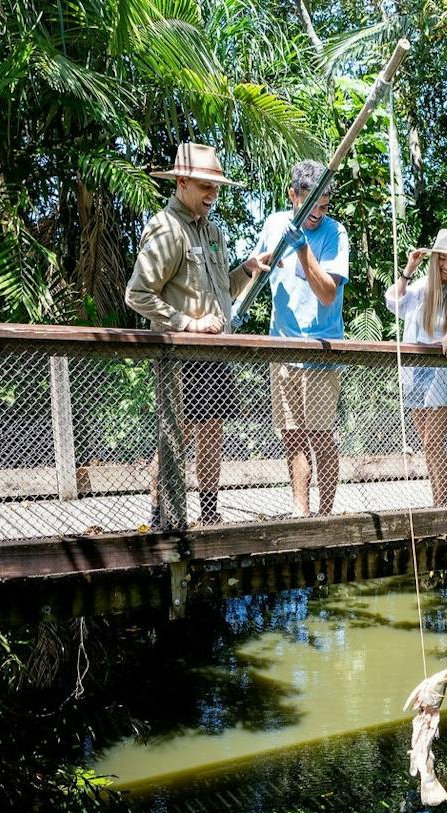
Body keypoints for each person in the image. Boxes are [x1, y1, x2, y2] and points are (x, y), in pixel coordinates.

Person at [125, 142, 270, 526]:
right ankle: (161, 514)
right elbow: (137, 294)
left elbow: (222, 290)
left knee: (212, 434)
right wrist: (188, 324)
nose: (213, 194)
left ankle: (208, 512)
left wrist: (248, 269)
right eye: (206, 185)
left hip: (216, 351)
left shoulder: (215, 234)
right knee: (176, 436)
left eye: (217, 186)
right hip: (179, 353)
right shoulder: (166, 228)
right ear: (183, 182)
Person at [250, 160, 351, 518]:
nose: (318, 213)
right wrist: (251, 270)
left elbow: (327, 294)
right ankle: (300, 513)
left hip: (321, 352)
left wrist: (303, 248)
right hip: (282, 350)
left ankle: (326, 514)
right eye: (312, 205)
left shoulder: (335, 234)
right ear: (294, 195)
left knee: (322, 438)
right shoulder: (275, 223)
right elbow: (256, 270)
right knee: (292, 438)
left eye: (324, 206)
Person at [384, 228, 447, 507]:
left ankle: (441, 507)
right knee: (428, 444)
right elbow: (393, 302)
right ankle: (437, 503)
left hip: (444, 374)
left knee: (432, 442)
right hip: (416, 372)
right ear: (435, 258)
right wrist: (408, 269)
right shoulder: (422, 288)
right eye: (443, 259)